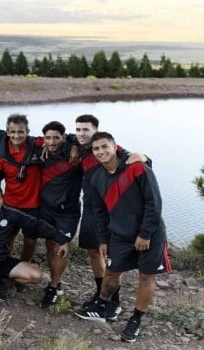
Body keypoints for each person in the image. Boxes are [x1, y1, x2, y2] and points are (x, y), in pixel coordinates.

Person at [74, 132, 169, 343]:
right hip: (120, 234)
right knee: (112, 272)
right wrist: (103, 240)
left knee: (146, 277)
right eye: (96, 149)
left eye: (104, 147)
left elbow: (154, 203)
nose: (101, 152)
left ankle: (136, 319)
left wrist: (145, 234)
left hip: (150, 234)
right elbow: (99, 213)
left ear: (115, 146)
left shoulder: (138, 167)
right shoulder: (97, 178)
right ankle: (104, 305)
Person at [0, 185, 71, 302]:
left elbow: (36, 224)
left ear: (2, 199)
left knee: (36, 276)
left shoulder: (10, 214)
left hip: (1, 261)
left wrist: (62, 239)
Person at [0, 114, 45, 264]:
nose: (17, 136)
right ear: (8, 132)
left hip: (33, 206)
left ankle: (24, 265)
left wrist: (73, 146)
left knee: (29, 241)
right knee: (7, 238)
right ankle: (4, 265)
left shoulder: (37, 143)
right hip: (10, 205)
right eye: (13, 132)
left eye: (21, 132)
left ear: (28, 132)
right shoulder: (2, 155)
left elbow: (59, 137)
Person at [38, 121, 83, 308]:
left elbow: (83, 138)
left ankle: (53, 286)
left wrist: (74, 144)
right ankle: (56, 280)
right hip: (46, 208)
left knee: (61, 247)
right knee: (50, 244)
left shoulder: (74, 154)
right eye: (48, 137)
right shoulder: (42, 152)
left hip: (68, 212)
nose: (52, 141)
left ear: (63, 138)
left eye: (56, 137)